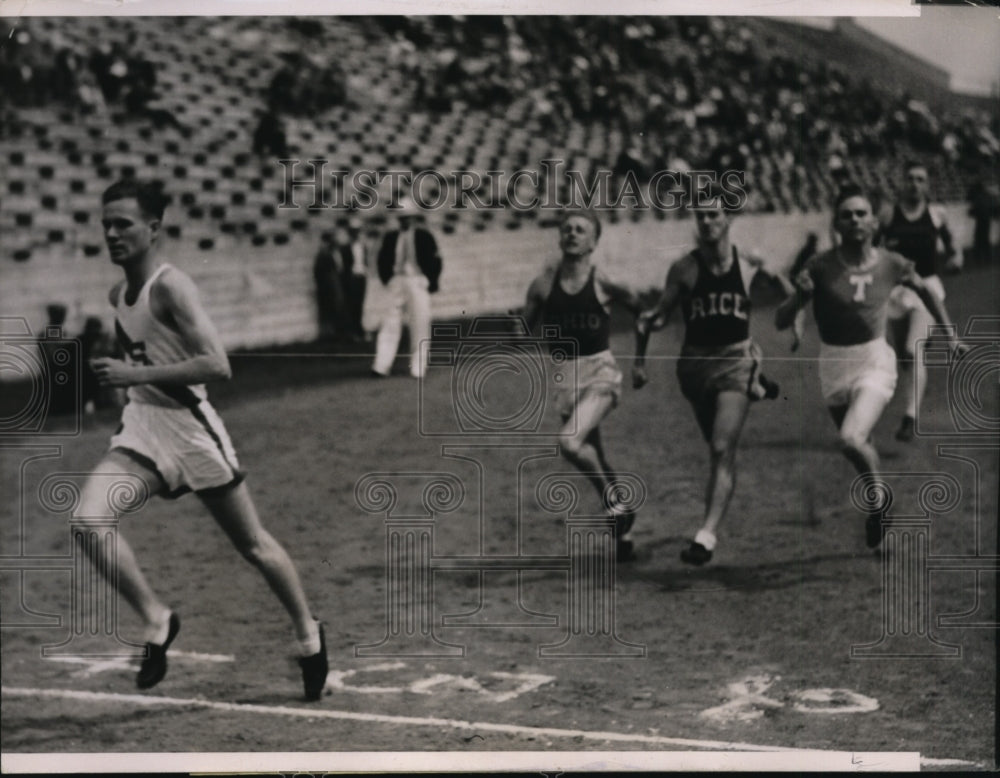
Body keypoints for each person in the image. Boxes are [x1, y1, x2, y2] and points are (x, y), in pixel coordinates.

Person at [81, 179, 328, 700]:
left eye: (122, 224)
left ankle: (309, 635)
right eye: (105, 224)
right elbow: (145, 364)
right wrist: (131, 382)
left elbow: (217, 364)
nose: (111, 233)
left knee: (253, 545)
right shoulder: (116, 295)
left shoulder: (172, 286)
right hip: (145, 427)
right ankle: (157, 620)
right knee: (87, 520)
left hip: (191, 431)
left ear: (153, 229)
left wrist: (127, 373)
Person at [776, 184, 965, 550]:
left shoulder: (891, 262)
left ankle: (880, 501)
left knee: (849, 439)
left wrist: (950, 333)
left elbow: (925, 289)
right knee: (861, 444)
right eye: (847, 214)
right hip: (832, 363)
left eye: (861, 213)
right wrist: (799, 296)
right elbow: (782, 319)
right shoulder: (820, 266)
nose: (855, 220)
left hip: (874, 361)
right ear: (836, 223)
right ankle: (879, 503)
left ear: (874, 221)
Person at [633, 192, 798, 566]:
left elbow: (790, 292)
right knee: (716, 445)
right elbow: (659, 313)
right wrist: (641, 356)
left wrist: (795, 323)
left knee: (723, 448)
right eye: (701, 216)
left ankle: (705, 536)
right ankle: (757, 385)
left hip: (734, 360)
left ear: (728, 219)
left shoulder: (749, 263)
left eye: (714, 215)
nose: (707, 222)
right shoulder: (683, 269)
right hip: (694, 366)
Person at [523, 209, 645, 562]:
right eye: (567, 229)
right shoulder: (543, 284)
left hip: (600, 373)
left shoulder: (605, 280)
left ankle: (617, 506)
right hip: (564, 377)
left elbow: (645, 313)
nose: (573, 234)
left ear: (594, 241)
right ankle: (625, 534)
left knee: (569, 442)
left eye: (581, 230)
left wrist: (640, 361)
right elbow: (523, 329)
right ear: (560, 238)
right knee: (595, 455)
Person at [879, 162, 960, 442]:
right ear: (902, 182)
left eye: (920, 179)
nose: (915, 184)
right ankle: (915, 385)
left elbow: (951, 243)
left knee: (912, 350)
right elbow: (874, 249)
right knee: (905, 358)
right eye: (910, 178)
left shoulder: (936, 214)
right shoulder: (889, 214)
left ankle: (910, 418)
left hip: (927, 288)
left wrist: (955, 255)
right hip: (896, 292)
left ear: (927, 184)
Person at [372, 197, 442, 378]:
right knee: (389, 322)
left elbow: (436, 260)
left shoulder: (424, 237)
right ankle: (381, 365)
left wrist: (429, 280)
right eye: (402, 218)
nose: (405, 221)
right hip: (397, 280)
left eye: (408, 217)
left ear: (414, 218)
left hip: (417, 280)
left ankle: (418, 366)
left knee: (420, 322)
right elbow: (382, 260)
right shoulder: (391, 237)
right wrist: (388, 279)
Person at [338, 216, 369, 343]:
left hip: (361, 276)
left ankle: (359, 330)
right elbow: (345, 265)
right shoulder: (345, 247)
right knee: (352, 304)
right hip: (352, 278)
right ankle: (354, 331)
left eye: (357, 231)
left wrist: (364, 271)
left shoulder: (362, 246)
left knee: (360, 304)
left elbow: (364, 261)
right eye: (353, 231)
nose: (355, 233)